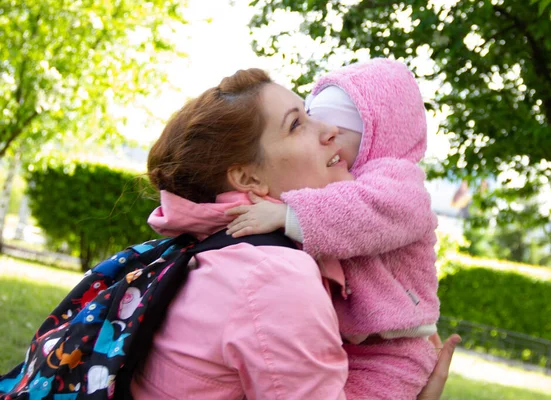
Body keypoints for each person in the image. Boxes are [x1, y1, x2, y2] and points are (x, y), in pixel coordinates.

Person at [132, 67, 459, 399]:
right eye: (297, 124)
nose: (331, 130)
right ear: (248, 179)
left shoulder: (212, 248)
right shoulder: (274, 273)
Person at [225, 59, 440, 399]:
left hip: (395, 349)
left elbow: (365, 214)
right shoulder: (342, 182)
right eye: (313, 124)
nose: (326, 138)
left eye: (339, 133)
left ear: (375, 136)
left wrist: (289, 215)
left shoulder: (399, 182)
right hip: (348, 341)